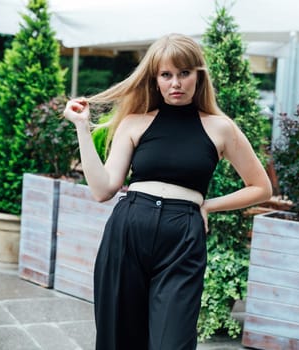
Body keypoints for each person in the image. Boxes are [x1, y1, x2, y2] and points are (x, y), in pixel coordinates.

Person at [63, 33, 272, 350]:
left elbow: (261, 188)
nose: (176, 82)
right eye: (166, 74)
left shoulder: (221, 128)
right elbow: (103, 189)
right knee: (118, 338)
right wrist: (82, 127)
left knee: (172, 342)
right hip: (128, 231)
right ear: (156, 79)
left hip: (183, 238)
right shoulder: (134, 122)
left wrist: (206, 205)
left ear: (198, 76)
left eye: (184, 73)